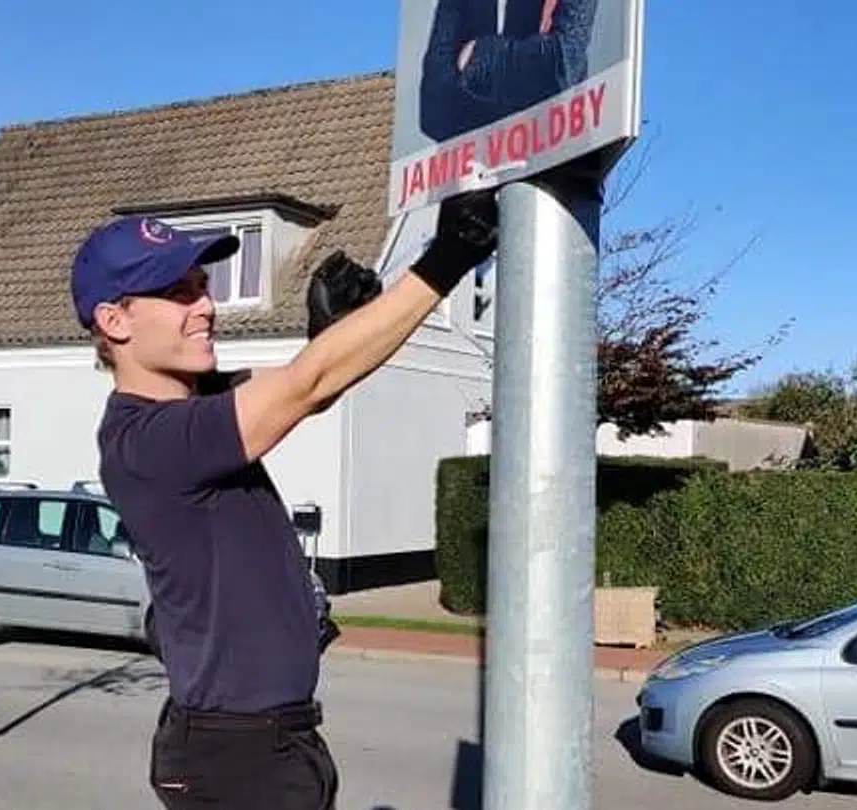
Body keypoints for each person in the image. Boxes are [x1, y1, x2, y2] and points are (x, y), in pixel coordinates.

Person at [69, 189, 499, 809]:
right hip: (238, 759)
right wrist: (452, 255)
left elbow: (303, 388)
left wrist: (327, 335)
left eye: (203, 284)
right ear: (115, 321)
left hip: (267, 746)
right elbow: (307, 386)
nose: (207, 306)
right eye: (179, 292)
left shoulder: (194, 412)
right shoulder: (146, 441)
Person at [419, 0, 597, 142]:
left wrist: (479, 57)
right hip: (479, 175)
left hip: (558, 169)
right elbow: (434, 109)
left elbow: (561, 66)